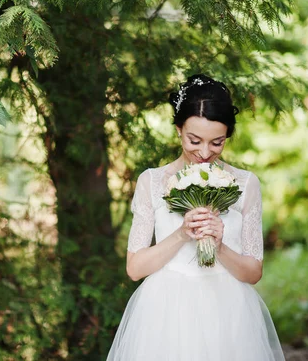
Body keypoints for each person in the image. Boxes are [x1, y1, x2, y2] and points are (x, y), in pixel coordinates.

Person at [107, 74, 285, 360]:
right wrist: (181, 234)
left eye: (217, 143)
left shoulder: (246, 184)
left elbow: (253, 273)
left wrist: (219, 244)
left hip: (229, 313)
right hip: (165, 314)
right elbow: (135, 268)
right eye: (194, 140)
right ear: (178, 130)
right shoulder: (151, 182)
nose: (204, 152)